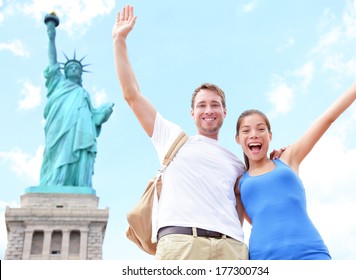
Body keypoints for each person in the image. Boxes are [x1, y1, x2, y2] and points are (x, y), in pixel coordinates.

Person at [112, 4, 251, 260]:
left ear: (224, 112)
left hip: (231, 248)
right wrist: (119, 40)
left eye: (214, 105)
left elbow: (242, 210)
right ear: (192, 113)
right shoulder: (172, 139)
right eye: (202, 105)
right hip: (183, 244)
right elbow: (132, 95)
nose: (208, 110)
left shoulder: (238, 165)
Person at [235, 58, 356, 260]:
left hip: (310, 253)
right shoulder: (240, 183)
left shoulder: (288, 158)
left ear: (270, 136)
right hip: (264, 259)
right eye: (246, 131)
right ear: (238, 139)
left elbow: (327, 118)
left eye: (261, 129)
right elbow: (245, 222)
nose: (254, 135)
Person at [39, 13, 114, 188]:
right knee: (55, 154)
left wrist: (103, 114)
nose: (74, 69)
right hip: (59, 126)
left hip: (79, 131)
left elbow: (92, 116)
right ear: (65, 72)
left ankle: (75, 184)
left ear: (81, 74)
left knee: (79, 153)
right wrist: (51, 36)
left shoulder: (83, 93)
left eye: (77, 68)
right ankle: (53, 184)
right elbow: (52, 60)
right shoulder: (58, 82)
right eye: (71, 67)